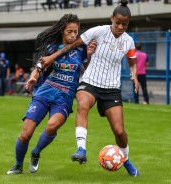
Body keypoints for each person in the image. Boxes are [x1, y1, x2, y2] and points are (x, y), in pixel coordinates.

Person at [39, 0, 140, 177]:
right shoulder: (98, 31)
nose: (121, 27)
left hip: (111, 88)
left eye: (124, 24)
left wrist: (134, 74)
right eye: (118, 23)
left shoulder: (129, 41)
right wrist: (52, 57)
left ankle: (126, 160)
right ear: (112, 19)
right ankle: (81, 150)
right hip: (90, 82)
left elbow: (132, 62)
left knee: (119, 131)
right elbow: (73, 45)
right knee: (83, 105)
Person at [7, 14, 96, 175]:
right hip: (44, 93)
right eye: (70, 31)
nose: (74, 35)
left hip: (64, 98)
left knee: (52, 126)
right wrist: (34, 75)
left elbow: (89, 71)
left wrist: (89, 55)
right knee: (26, 134)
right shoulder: (52, 47)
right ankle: (18, 165)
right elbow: (40, 64)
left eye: (76, 32)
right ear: (62, 30)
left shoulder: (81, 48)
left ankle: (36, 152)